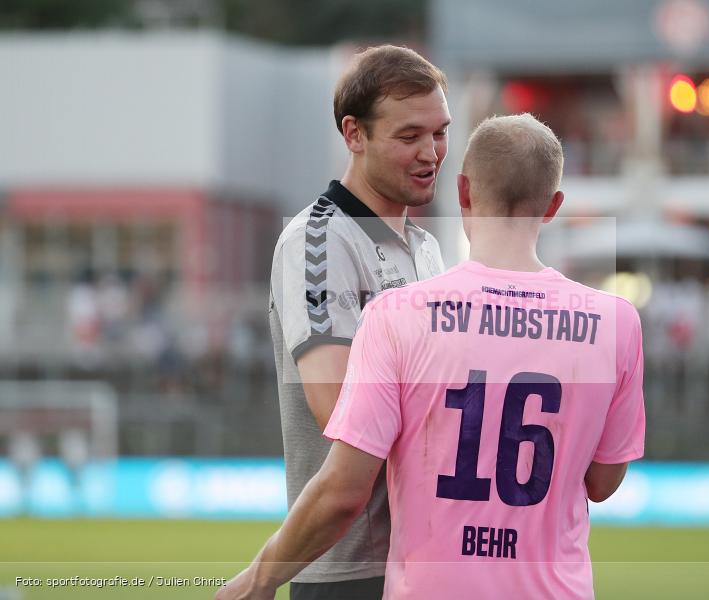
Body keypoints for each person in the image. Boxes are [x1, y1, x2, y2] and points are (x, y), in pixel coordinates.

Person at [217, 114, 644, 599]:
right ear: (553, 207)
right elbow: (604, 481)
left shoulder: (398, 315)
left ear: (462, 192)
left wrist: (259, 579)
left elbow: (344, 491)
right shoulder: (616, 322)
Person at [266, 45, 449, 600]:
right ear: (354, 134)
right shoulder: (316, 241)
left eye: (440, 132)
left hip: (426, 559)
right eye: (409, 136)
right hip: (349, 569)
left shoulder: (427, 248)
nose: (432, 152)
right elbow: (337, 406)